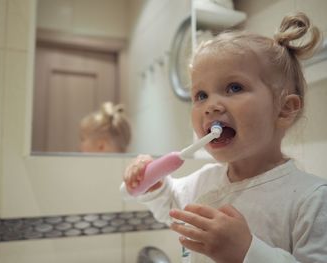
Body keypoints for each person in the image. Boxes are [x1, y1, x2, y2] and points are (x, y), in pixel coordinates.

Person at [121, 12, 327, 263]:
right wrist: (155, 186)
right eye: (201, 95)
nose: (210, 106)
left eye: (234, 87)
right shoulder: (203, 182)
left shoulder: (312, 200)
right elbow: (171, 203)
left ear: (284, 109)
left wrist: (246, 252)